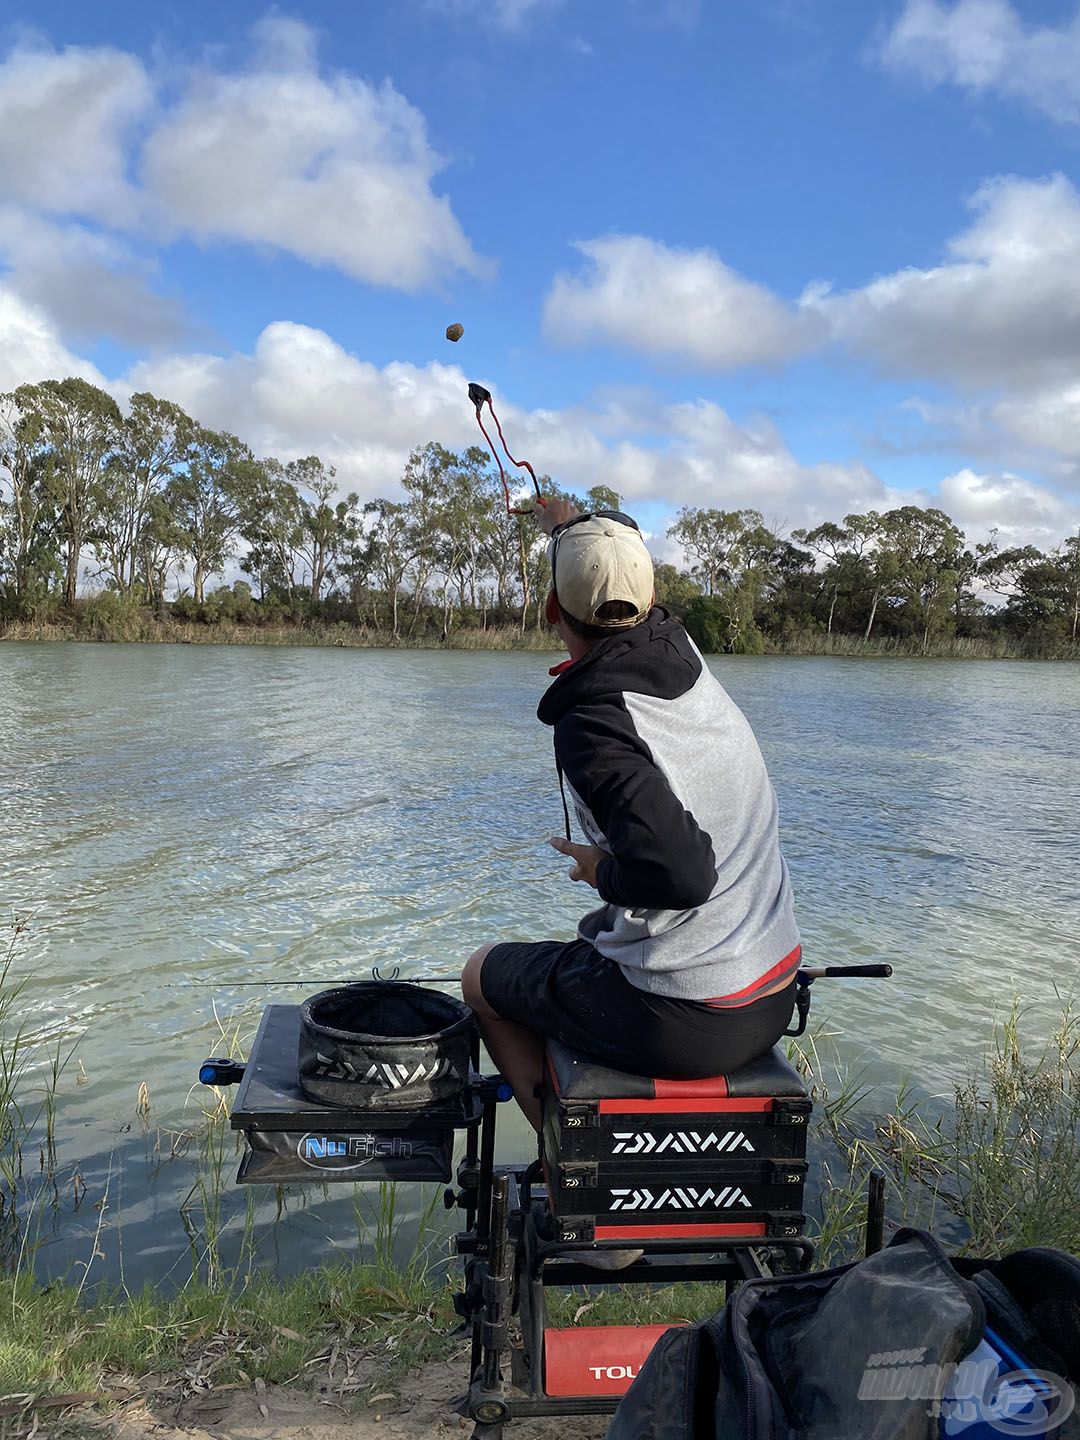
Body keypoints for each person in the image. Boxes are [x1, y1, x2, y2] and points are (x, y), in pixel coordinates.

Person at [461, 498, 800, 1133]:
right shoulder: (685, 656)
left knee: (481, 975)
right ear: (649, 604)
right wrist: (564, 525)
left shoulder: (594, 724)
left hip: (683, 1019)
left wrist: (602, 872)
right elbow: (618, 570)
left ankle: (566, 1167)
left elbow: (681, 875)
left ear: (551, 612)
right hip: (770, 993)